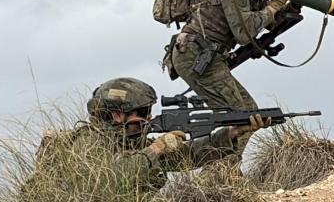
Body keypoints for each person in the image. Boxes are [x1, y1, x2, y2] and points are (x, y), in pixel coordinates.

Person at [160, 0, 299, 162]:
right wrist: (276, 4)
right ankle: (220, 178)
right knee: (244, 117)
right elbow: (245, 32)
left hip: (205, 55)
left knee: (248, 114)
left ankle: (221, 175)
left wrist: (286, 8)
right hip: (197, 54)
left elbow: (257, 19)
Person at [37, 77, 262, 190]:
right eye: (143, 112)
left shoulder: (131, 140)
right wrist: (156, 149)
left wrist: (231, 134)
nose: (148, 118)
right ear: (117, 115)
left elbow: (185, 158)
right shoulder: (89, 141)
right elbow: (108, 179)